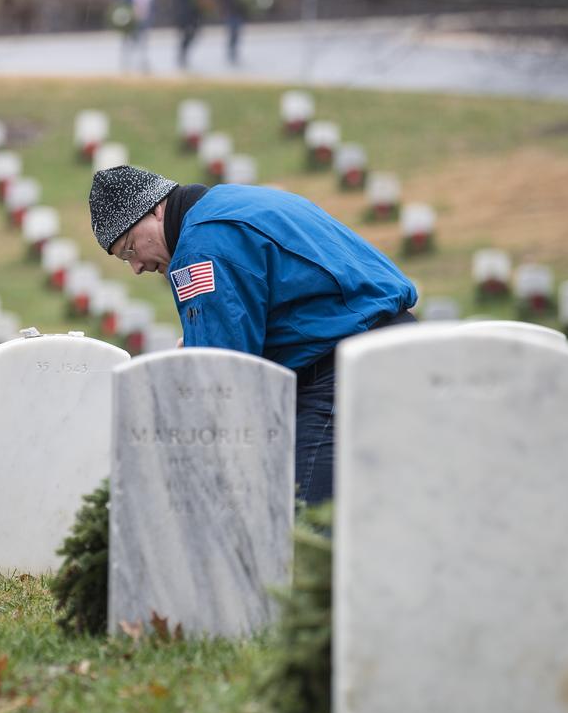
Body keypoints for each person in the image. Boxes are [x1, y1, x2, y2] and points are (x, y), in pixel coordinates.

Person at [87, 166, 417, 505]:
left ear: (155, 210)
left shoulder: (199, 249)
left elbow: (223, 373)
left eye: (129, 249)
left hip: (342, 370)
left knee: (305, 529)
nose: (137, 267)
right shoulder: (234, 202)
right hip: (398, 347)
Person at [120, 0, 155, 73]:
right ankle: (127, 61)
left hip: (144, 18)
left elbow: (151, 5)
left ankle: (142, 61)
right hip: (130, 19)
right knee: (129, 40)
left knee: (142, 40)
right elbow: (123, 3)